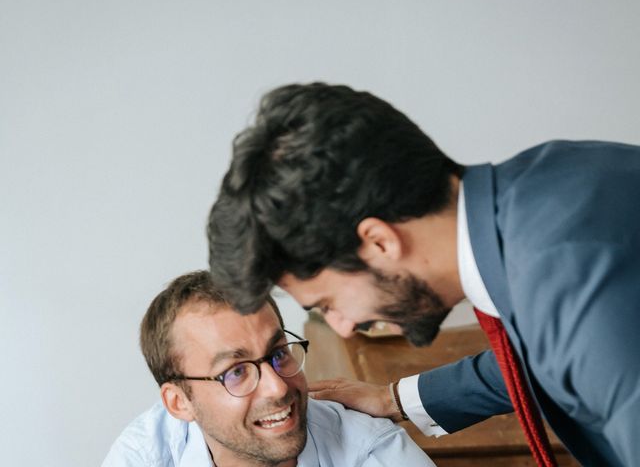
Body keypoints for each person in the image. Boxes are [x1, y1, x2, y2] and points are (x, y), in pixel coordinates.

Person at [206, 82, 640, 466]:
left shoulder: (573, 286)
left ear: (379, 242)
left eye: (327, 304)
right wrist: (394, 399)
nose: (341, 325)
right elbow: (542, 357)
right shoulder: (540, 189)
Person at [102, 270, 433, 467]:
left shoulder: (370, 451)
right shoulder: (145, 456)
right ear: (179, 403)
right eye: (236, 371)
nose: (277, 386)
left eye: (278, 353)